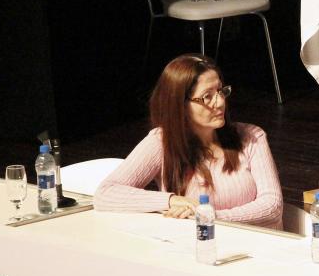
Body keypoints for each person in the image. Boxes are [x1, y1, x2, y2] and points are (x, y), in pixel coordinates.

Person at [94, 54, 283, 228]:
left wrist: (209, 216)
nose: (220, 102)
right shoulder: (161, 142)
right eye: (207, 96)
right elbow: (106, 194)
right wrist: (171, 201)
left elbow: (272, 207)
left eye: (220, 91)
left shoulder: (251, 137)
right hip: (196, 249)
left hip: (256, 249)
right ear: (180, 105)